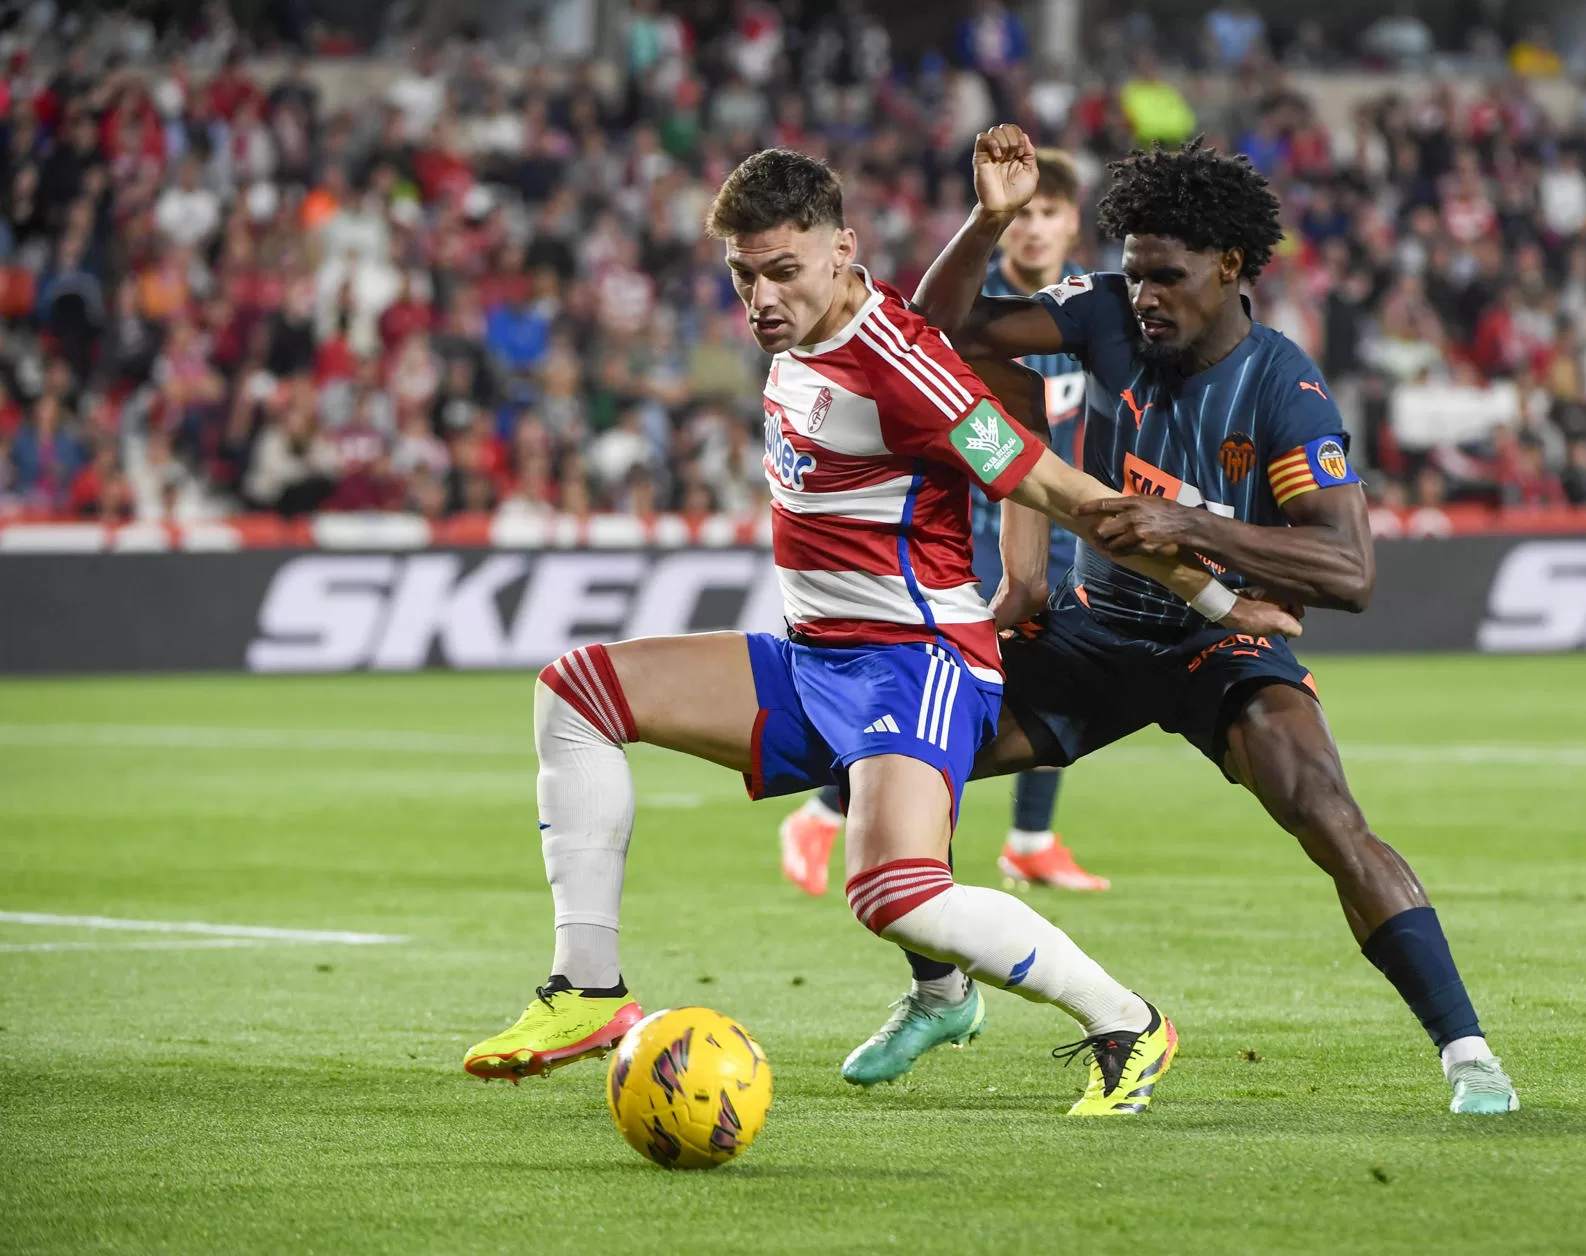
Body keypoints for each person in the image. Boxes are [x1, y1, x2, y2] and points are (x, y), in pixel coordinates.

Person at [460, 148, 1297, 1116]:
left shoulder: (903, 372)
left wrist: (1220, 602)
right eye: (743, 275)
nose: (761, 299)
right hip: (816, 656)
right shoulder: (808, 329)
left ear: (842, 249)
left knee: (891, 892)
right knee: (578, 692)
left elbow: (1064, 492)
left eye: (783, 271)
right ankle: (588, 989)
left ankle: (1127, 1022)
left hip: (917, 663)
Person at [879, 125, 1519, 1115]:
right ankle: (942, 993)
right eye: (1135, 273)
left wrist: (1191, 525)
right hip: (1092, 634)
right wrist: (988, 218)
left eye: (1166, 277)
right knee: (896, 765)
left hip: (1216, 639)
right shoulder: (1103, 313)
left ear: (1228, 266)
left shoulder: (1285, 389)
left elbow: (1350, 570)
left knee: (1326, 814)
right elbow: (930, 330)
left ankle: (1469, 1054)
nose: (1144, 296)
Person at [778, 148, 1108, 921]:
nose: (1033, 228)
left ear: (1072, 224)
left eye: (1050, 214)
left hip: (1057, 521)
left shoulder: (1089, 309)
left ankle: (1029, 838)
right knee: (960, 682)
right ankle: (832, 809)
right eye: (1024, 214)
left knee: (1055, 671)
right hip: (975, 523)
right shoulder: (975, 304)